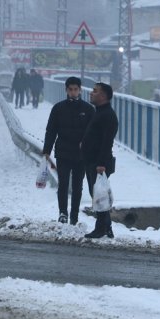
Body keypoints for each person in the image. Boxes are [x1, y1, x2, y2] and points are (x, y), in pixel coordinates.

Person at [42, 76, 94, 226]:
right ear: (66, 90)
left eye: (75, 89)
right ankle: (63, 213)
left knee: (78, 186)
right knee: (63, 184)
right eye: (70, 89)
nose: (73, 92)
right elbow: (51, 131)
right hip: (63, 152)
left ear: (80, 90)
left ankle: (74, 215)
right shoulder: (58, 108)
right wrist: (47, 150)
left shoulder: (88, 109)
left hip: (81, 155)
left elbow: (93, 133)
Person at [82, 82, 119, 239]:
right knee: (97, 194)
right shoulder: (99, 112)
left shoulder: (107, 115)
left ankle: (100, 228)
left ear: (103, 96)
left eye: (95, 91)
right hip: (92, 161)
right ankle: (107, 227)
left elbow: (106, 142)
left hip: (99, 163)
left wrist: (101, 164)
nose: (91, 93)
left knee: (99, 196)